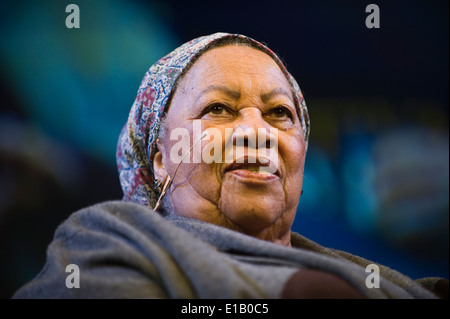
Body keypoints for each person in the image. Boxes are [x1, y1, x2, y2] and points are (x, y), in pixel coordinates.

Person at [12, 32, 447, 299]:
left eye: (280, 113)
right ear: (161, 158)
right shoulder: (103, 245)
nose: (258, 131)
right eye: (219, 108)